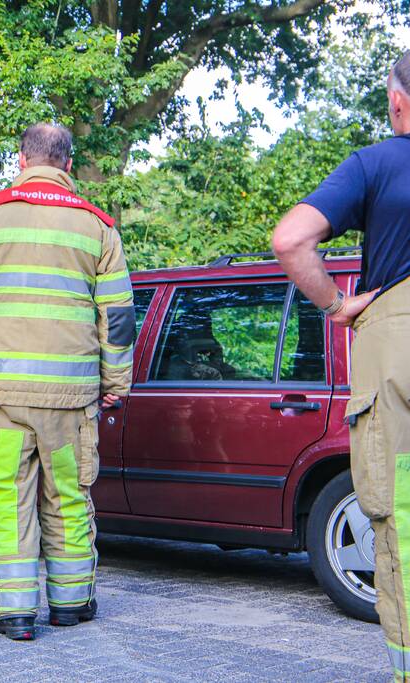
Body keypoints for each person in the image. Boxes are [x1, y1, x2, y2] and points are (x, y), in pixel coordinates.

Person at [0, 123, 134, 640]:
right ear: (67, 163)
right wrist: (116, 380)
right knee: (67, 495)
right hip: (68, 401)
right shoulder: (97, 227)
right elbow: (119, 316)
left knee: (7, 498)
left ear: (22, 160)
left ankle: (16, 614)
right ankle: (70, 604)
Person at [272, 51, 410, 681]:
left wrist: (338, 306)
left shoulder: (377, 164)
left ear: (398, 100)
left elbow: (291, 239)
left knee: (401, 514)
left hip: (397, 340)